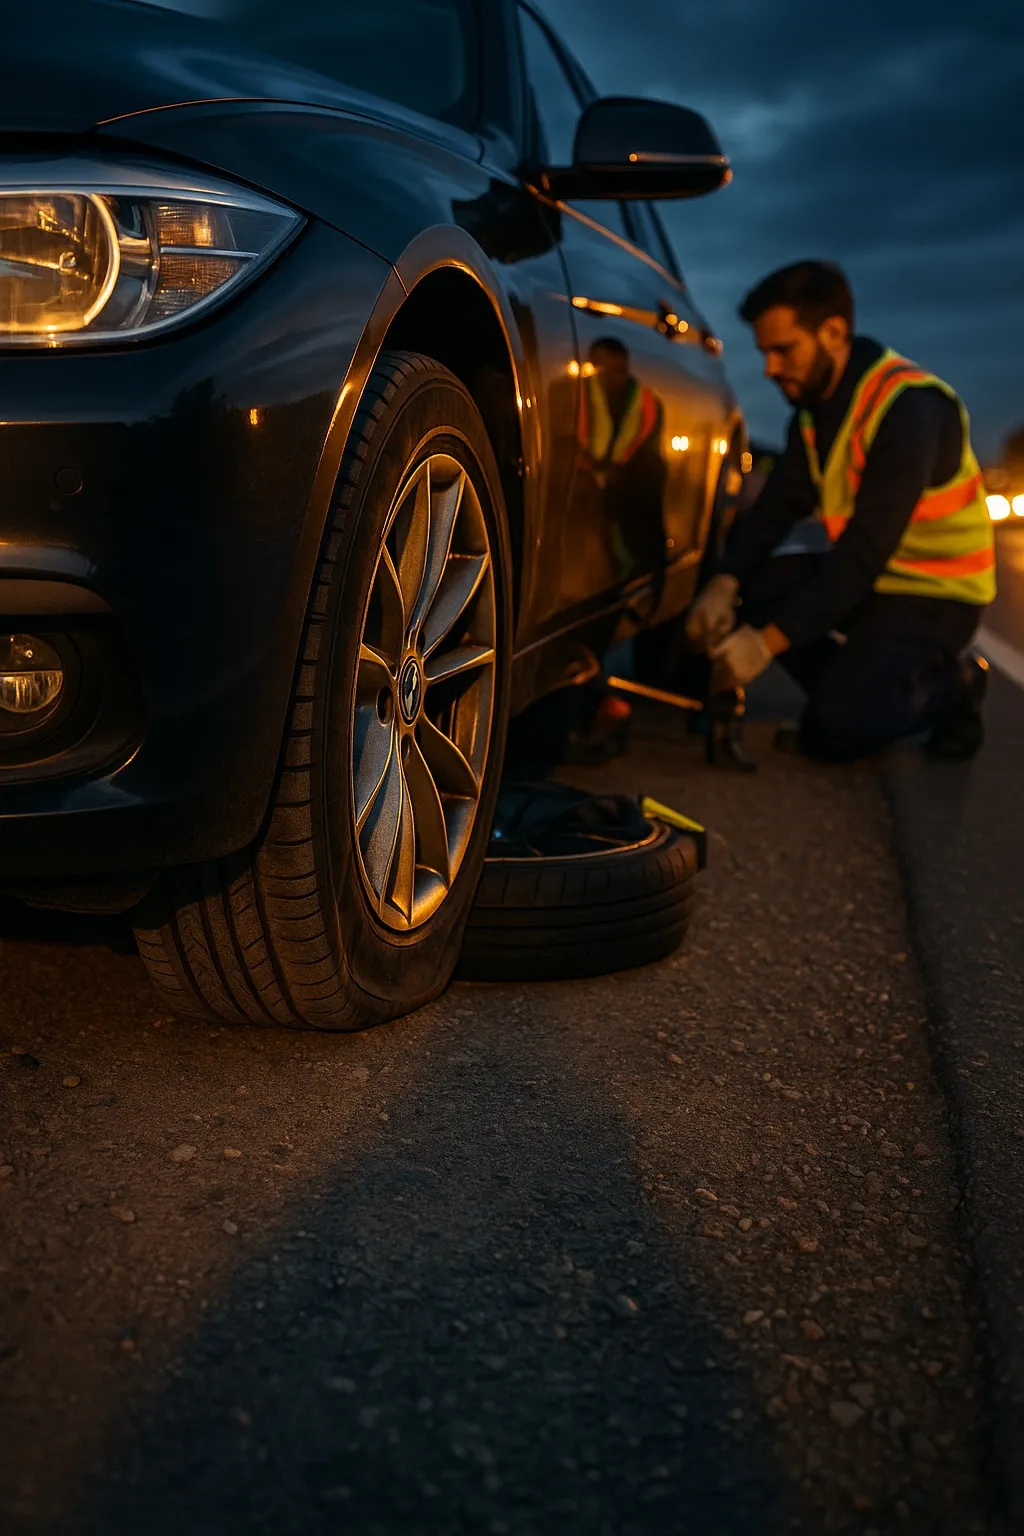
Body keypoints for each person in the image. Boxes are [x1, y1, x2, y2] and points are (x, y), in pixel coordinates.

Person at [687, 261, 995, 761]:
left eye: (783, 350)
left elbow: (862, 552)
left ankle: (953, 688)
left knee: (831, 732)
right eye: (764, 352)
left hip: (934, 595)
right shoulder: (813, 416)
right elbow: (772, 512)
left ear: (833, 333)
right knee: (758, 586)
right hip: (874, 585)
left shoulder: (908, 409)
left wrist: (765, 644)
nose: (768, 368)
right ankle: (865, 680)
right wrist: (724, 583)